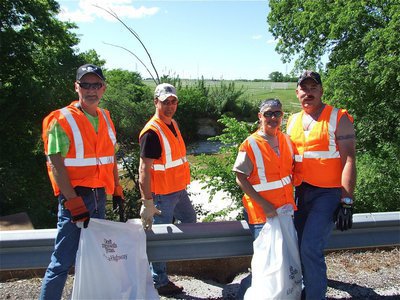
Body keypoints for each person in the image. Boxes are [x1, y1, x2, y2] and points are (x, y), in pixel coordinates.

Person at [40, 64, 124, 300]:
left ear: (103, 88)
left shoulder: (106, 117)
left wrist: (116, 188)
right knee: (62, 261)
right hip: (75, 196)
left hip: (99, 195)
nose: (91, 90)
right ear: (76, 87)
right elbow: (55, 163)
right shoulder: (60, 119)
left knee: (96, 257)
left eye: (95, 85)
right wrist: (73, 201)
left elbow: (110, 157)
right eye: (85, 84)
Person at [286, 70, 356, 300]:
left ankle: (315, 296)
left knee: (310, 248)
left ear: (321, 91)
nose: (308, 93)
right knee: (297, 248)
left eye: (313, 88)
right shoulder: (292, 120)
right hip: (300, 193)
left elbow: (349, 160)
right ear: (297, 93)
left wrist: (346, 201)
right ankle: (307, 289)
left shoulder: (338, 117)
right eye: (304, 89)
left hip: (328, 195)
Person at [232, 98, 298, 299]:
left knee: (283, 261)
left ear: (282, 116)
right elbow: (240, 177)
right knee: (266, 263)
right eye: (268, 113)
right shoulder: (250, 144)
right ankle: (247, 293)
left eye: (277, 113)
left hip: (285, 211)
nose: (273, 117)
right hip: (262, 214)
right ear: (260, 117)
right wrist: (264, 205)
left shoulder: (286, 140)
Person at [138, 83, 197, 296]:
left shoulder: (172, 124)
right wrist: (147, 201)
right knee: (160, 239)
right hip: (162, 195)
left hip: (178, 190)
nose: (170, 106)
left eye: (173, 102)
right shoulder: (152, 132)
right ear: (156, 102)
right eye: (165, 102)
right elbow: (144, 169)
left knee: (190, 221)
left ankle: (164, 267)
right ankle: (159, 281)